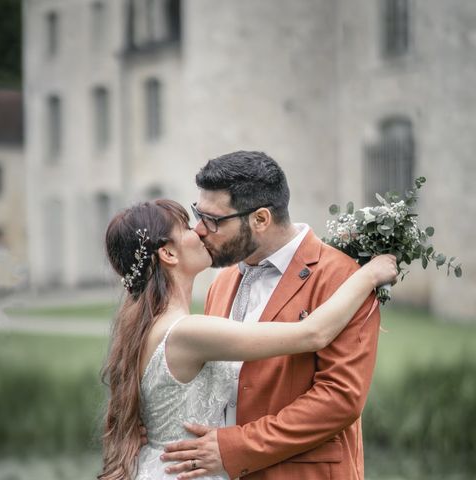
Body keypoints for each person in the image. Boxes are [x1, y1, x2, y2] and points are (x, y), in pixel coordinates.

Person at [99, 198, 397, 480]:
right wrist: (368, 275)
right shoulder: (186, 332)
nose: (200, 231)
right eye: (188, 227)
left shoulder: (144, 327)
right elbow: (312, 333)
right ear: (168, 253)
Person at [160, 151, 384, 480]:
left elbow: (340, 399)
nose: (200, 231)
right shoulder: (220, 283)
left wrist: (234, 448)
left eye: (213, 220)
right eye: (198, 214)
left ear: (261, 219)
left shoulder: (342, 278)